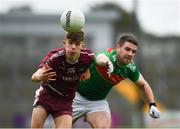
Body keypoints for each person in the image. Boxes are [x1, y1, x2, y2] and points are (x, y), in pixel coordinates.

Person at [72, 33, 161, 128]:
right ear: (118, 47)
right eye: (127, 49)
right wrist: (106, 63)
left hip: (97, 103)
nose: (130, 54)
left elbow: (143, 85)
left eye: (133, 51)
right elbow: (100, 58)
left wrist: (152, 104)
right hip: (75, 97)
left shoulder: (130, 68)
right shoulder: (109, 55)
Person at [31, 31, 95, 128]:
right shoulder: (55, 56)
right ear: (64, 43)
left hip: (65, 101)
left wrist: (87, 69)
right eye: (70, 43)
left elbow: (92, 62)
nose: (73, 47)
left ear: (82, 46)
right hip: (46, 96)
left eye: (77, 44)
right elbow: (36, 74)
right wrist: (39, 76)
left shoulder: (88, 57)